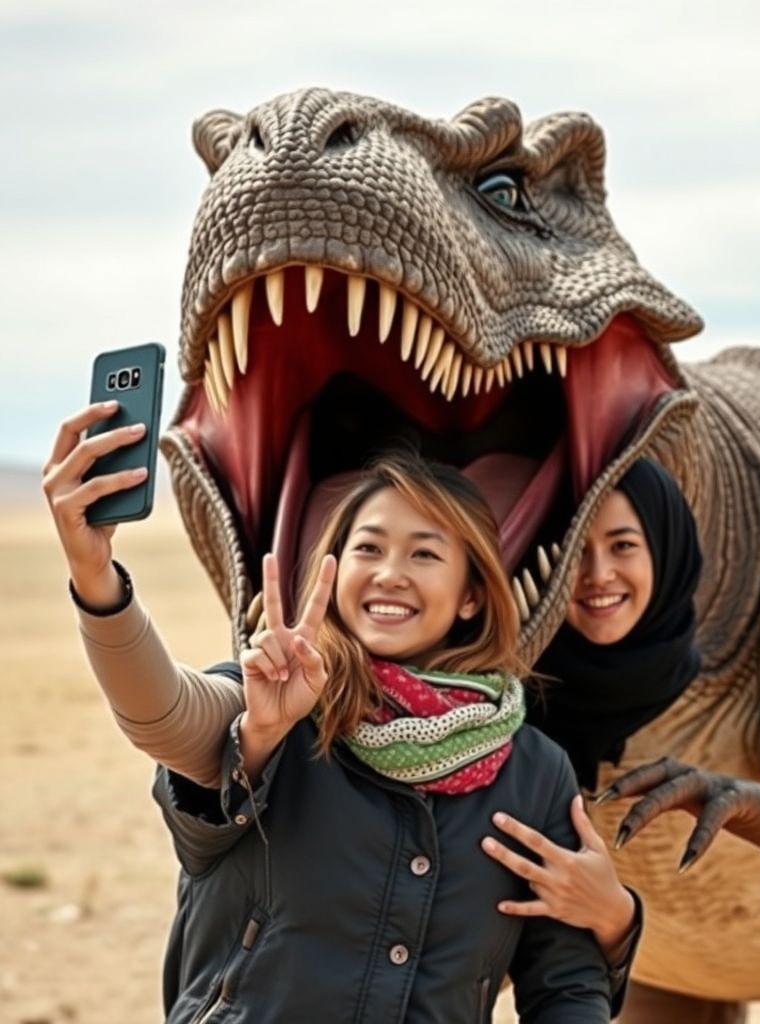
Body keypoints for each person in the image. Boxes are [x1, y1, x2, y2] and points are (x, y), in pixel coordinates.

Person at [42, 402, 639, 1023]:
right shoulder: (276, 695)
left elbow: (565, 988)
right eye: (368, 548)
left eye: (425, 555)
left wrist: (616, 917)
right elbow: (164, 716)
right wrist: (95, 575)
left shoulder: (535, 773)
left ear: (471, 596)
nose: (389, 574)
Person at [481, 458, 702, 909]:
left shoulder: (708, 684)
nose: (598, 574)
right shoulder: (501, 694)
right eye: (575, 549)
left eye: (622, 545)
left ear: (664, 547)